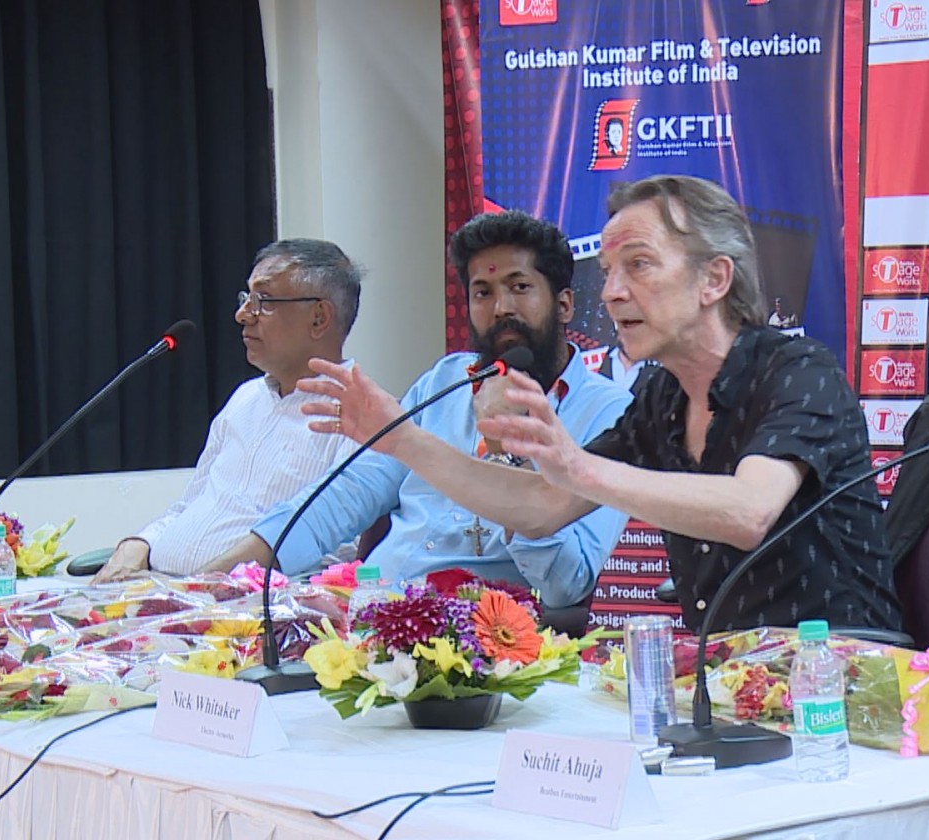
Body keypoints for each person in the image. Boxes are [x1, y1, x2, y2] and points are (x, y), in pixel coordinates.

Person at [303, 175, 899, 631]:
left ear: (714, 280)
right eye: (609, 271)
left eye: (638, 265)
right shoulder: (661, 397)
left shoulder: (798, 371)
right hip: (725, 681)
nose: (611, 293)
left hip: (840, 683)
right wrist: (400, 437)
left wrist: (576, 466)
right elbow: (541, 508)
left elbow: (749, 512)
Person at [200, 211, 633, 609]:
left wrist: (508, 450)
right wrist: (212, 584)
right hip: (367, 614)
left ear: (564, 305)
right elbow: (346, 496)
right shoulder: (446, 381)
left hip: (473, 640)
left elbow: (566, 585)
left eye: (519, 287)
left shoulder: (610, 413)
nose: (501, 309)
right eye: (483, 292)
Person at [92, 240, 361, 583]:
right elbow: (190, 506)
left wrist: (202, 586)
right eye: (246, 298)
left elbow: (340, 549)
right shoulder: (244, 399)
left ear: (319, 318)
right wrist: (138, 544)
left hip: (240, 604)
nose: (243, 314)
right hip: (158, 587)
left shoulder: (357, 414)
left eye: (264, 300)